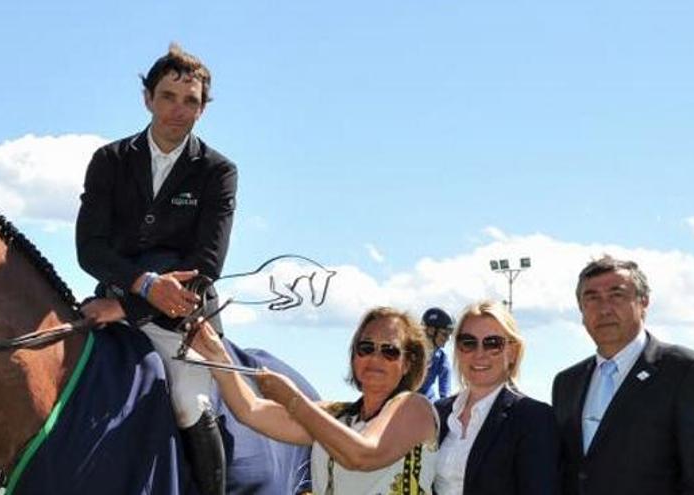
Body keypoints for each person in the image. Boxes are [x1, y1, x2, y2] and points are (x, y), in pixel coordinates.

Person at [75, 43, 237, 495]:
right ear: (148, 98)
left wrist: (127, 308)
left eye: (191, 101)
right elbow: (90, 247)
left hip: (184, 318)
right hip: (108, 298)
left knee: (188, 402)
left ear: (203, 110)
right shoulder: (108, 160)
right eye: (168, 96)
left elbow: (206, 264)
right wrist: (138, 288)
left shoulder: (218, 171)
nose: (178, 110)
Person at [189, 306, 439, 494]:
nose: (375, 357)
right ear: (354, 356)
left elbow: (362, 455)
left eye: (389, 351)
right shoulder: (336, 416)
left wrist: (293, 400)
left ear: (407, 363)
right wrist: (219, 358)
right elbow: (251, 410)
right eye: (366, 348)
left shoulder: (414, 406)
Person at [552, 256, 694, 495]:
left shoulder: (686, 371)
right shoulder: (567, 382)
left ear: (643, 302)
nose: (604, 308)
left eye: (616, 295)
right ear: (581, 310)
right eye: (592, 298)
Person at [433, 300, 560, 495]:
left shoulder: (534, 418)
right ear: (458, 350)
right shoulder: (438, 413)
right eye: (468, 343)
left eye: (493, 344)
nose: (479, 354)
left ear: (512, 352)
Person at [417, 307, 453, 401]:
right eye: (444, 334)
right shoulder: (408, 352)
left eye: (449, 335)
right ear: (431, 331)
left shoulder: (442, 359)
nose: (447, 339)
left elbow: (445, 394)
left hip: (425, 402)